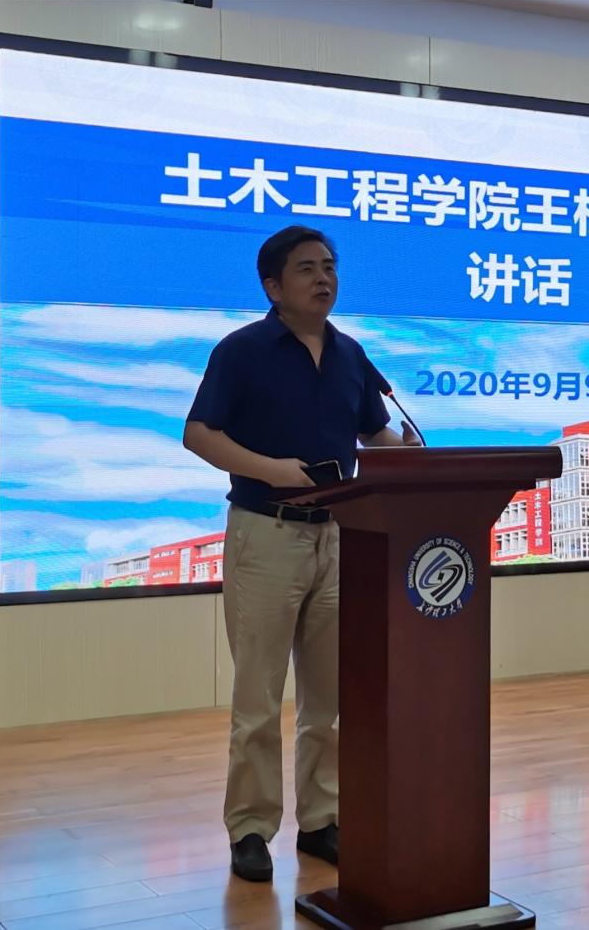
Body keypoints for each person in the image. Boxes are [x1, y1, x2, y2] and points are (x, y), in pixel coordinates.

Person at [183, 225, 419, 882]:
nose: (324, 278)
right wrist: (271, 469)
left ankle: (321, 820)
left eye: (330, 266)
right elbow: (198, 433)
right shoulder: (242, 351)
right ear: (273, 285)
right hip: (266, 533)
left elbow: (373, 435)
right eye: (307, 268)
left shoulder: (350, 355)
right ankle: (250, 828)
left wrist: (404, 452)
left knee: (329, 697)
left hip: (337, 536)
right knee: (258, 695)